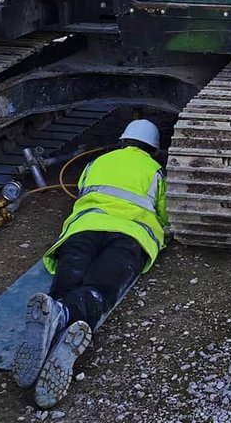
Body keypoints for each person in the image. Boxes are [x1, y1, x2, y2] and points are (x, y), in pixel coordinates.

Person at [12, 118, 169, 408]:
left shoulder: (96, 162)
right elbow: (165, 213)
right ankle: (71, 317)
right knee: (100, 287)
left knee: (68, 276)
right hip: (130, 235)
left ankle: (56, 311)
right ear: (153, 148)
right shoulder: (155, 171)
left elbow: (83, 191)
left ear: (123, 140)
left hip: (84, 227)